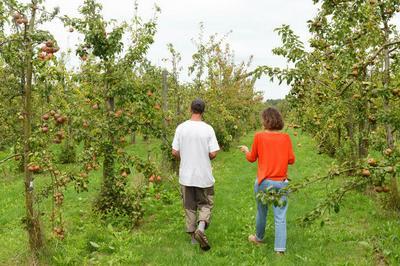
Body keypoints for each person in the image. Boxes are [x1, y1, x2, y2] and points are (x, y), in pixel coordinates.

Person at [239, 107, 295, 255]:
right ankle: (280, 250)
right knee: (280, 216)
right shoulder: (286, 138)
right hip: (281, 183)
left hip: (264, 182)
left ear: (265, 120)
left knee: (262, 211)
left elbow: (252, 158)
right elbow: (291, 160)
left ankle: (259, 238)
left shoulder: (259, 137)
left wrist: (245, 150)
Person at [172, 98, 220, 251]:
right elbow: (213, 153)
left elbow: (174, 151)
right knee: (206, 203)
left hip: (186, 175)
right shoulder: (208, 129)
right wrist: (204, 156)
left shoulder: (181, 128)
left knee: (189, 205)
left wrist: (185, 157)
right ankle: (201, 227)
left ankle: (193, 238)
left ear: (190, 109)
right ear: (203, 111)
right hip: (203, 175)